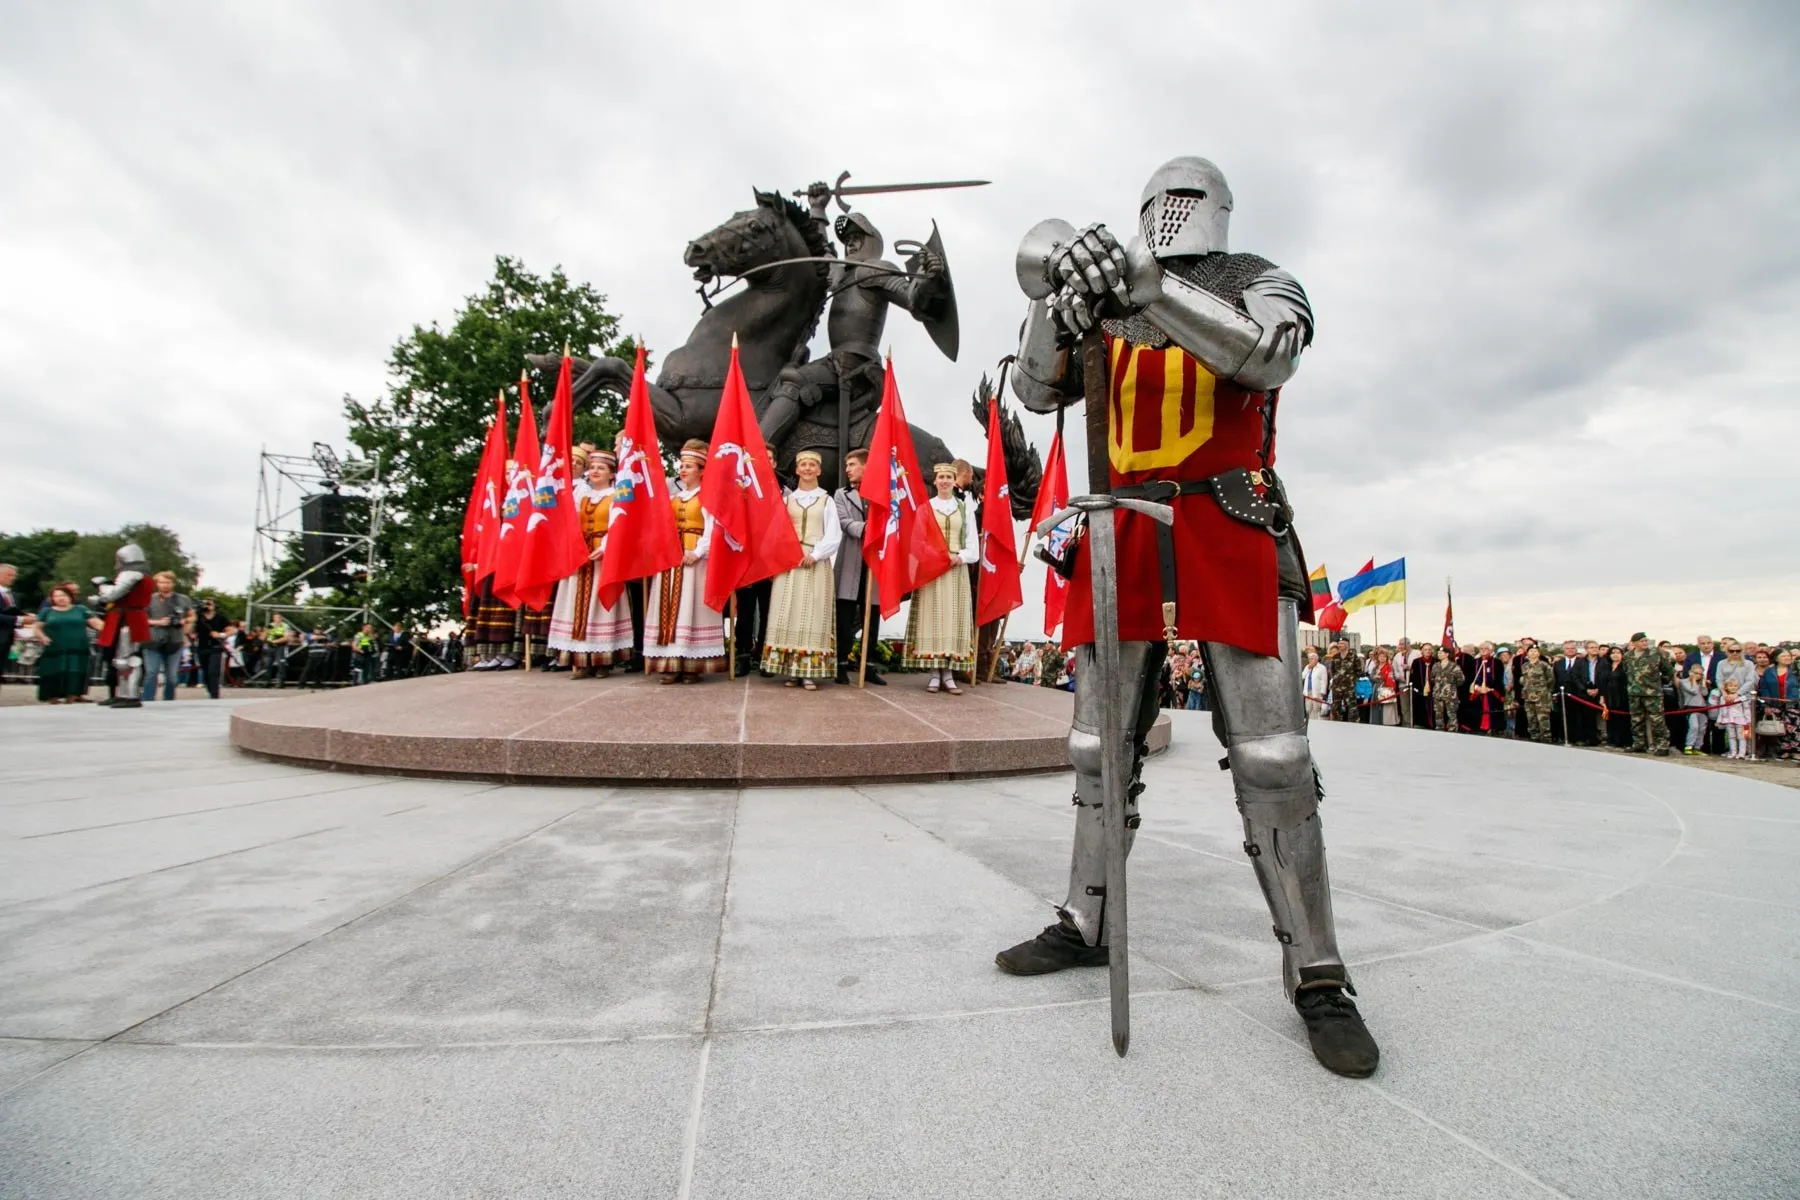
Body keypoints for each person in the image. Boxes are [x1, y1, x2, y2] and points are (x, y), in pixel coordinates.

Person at [994, 157, 1377, 1076]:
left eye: (1179, 207)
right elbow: (1038, 390)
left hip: (1227, 513)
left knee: (1274, 756)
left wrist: (1149, 287)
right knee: (1096, 745)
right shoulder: (1104, 298)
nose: (1167, 218)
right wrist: (1061, 294)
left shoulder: (1258, 281)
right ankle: (1086, 918)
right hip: (1119, 518)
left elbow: (1267, 354)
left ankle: (1317, 971)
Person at [644, 440, 726, 682]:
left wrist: (698, 552)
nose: (683, 470)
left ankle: (692, 665)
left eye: (689, 466)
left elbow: (713, 529)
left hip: (695, 560)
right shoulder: (673, 498)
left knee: (692, 608)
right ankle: (670, 664)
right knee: (669, 609)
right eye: (682, 465)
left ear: (702, 470)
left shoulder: (707, 498)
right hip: (672, 560)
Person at [548, 448, 634, 678]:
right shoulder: (581, 496)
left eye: (601, 468)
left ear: (611, 474)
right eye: (593, 467)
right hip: (580, 556)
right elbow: (570, 524)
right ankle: (580, 660)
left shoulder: (616, 495)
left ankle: (602, 660)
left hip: (604, 557)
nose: (595, 471)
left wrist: (605, 547)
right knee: (576, 605)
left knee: (600, 606)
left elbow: (619, 525)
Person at [761, 449, 843, 690]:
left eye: (812, 465)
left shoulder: (827, 500)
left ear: (819, 470)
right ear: (796, 470)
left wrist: (816, 554)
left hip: (815, 563)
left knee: (812, 612)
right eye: (803, 465)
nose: (807, 469)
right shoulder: (787, 500)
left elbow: (833, 534)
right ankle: (790, 668)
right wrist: (787, 554)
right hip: (790, 562)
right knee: (787, 611)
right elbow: (777, 532)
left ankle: (808, 669)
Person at [903, 463, 979, 694]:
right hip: (932, 570)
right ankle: (934, 673)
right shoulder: (926, 508)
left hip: (955, 570)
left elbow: (972, 541)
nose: (944, 481)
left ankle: (949, 673)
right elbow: (918, 542)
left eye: (948, 476)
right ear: (934, 482)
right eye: (940, 477)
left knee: (952, 617)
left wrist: (961, 557)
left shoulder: (964, 507)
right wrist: (936, 557)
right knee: (932, 616)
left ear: (954, 480)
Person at [832, 448, 886, 686]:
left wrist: (879, 530)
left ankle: (869, 663)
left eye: (852, 465)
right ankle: (841, 663)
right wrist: (867, 529)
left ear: (866, 466)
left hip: (875, 559)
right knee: (844, 612)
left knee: (871, 614)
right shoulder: (841, 494)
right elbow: (842, 521)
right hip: (851, 559)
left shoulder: (882, 493)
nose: (848, 470)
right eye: (847, 466)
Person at [34, 586, 98, 703]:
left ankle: (73, 696)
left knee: (75, 670)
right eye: (56, 596)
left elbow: (97, 624)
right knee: (53, 671)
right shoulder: (47, 611)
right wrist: (42, 637)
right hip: (55, 647)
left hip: (78, 647)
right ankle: (53, 697)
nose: (60, 598)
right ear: (52, 598)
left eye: (63, 595)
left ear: (70, 597)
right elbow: (37, 628)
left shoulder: (81, 609)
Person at [139, 571, 194, 702]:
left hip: (174, 641)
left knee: (172, 676)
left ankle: (168, 700)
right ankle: (147, 699)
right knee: (152, 672)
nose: (165, 585)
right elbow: (141, 619)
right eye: (162, 582)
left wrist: (184, 621)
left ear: (173, 583)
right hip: (153, 640)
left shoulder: (183, 599)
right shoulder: (148, 599)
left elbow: (192, 616)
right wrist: (158, 622)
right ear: (157, 583)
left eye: (168, 582)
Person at [1619, 632, 1673, 755]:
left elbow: (1668, 670)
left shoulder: (1655, 654)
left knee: (1657, 720)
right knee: (1636, 720)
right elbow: (1626, 671)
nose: (1644, 643)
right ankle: (1639, 744)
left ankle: (1662, 745)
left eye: (1645, 640)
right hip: (1634, 692)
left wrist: (1658, 682)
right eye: (1641, 641)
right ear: (1634, 643)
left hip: (1652, 693)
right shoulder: (1628, 656)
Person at [1758, 649, 1798, 760]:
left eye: (1788, 656)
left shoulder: (1795, 670)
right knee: (1781, 727)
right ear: (1776, 658)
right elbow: (1764, 688)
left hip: (1793, 704)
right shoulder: (1769, 672)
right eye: (1783, 656)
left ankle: (1796, 751)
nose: (1787, 658)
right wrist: (1767, 704)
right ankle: (1784, 750)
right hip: (1775, 703)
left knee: (1794, 728)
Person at [1465, 642, 1505, 735]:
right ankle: (1478, 729)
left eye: (1486, 648)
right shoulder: (1474, 662)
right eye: (1481, 648)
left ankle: (1493, 729)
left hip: (1492, 691)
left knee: (1493, 711)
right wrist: (1477, 687)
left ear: (1491, 650)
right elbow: (1469, 678)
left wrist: (1489, 688)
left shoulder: (1497, 663)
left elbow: (1499, 679)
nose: (1483, 650)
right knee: (1476, 710)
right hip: (1477, 692)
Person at [1520, 644, 1555, 744]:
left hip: (1542, 696)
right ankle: (1534, 736)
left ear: (1539, 653)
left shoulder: (1544, 665)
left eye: (1535, 651)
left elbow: (1551, 680)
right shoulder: (1525, 666)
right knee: (1531, 718)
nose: (1533, 653)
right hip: (1528, 696)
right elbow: (1524, 680)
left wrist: (1546, 691)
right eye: (1531, 651)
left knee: (1543, 718)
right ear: (1527, 654)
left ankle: (1546, 737)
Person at [1676, 663, 1710, 756]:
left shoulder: (1700, 683)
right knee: (1694, 726)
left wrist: (1703, 683)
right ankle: (1689, 746)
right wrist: (1694, 680)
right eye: (1696, 673)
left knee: (1702, 728)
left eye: (1700, 674)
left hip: (1702, 707)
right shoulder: (1684, 682)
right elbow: (1693, 691)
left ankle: (1697, 747)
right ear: (1690, 672)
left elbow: (1705, 693)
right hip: (1691, 706)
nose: (1698, 675)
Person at [1717, 678, 1754, 759]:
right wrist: (1719, 720)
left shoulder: (1742, 697)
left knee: (1742, 737)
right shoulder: (1723, 698)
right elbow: (1721, 709)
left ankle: (1741, 753)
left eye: (1735, 686)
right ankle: (1733, 752)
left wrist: (1748, 720)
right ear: (1726, 687)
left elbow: (1746, 709)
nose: (1733, 687)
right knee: (1731, 737)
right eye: (1730, 686)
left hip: (1740, 720)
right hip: (1728, 719)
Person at [1430, 645, 1463, 732]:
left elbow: (1461, 680)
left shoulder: (1454, 666)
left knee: (1451, 714)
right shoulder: (1435, 666)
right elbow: (1432, 678)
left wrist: (1450, 686)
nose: (1439, 654)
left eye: (1441, 653)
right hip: (1437, 694)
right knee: (1438, 714)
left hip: (1450, 695)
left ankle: (1452, 730)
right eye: (1438, 653)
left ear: (1447, 654)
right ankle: (1439, 729)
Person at [1328, 640, 1360, 722]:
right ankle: (1337, 725)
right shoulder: (1335, 657)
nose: (1340, 645)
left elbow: (1359, 671)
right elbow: (1332, 670)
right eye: (1339, 643)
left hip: (1349, 687)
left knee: (1352, 708)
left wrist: (1351, 680)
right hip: (1337, 687)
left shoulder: (1353, 657)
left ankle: (1353, 726)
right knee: (1335, 707)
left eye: (1342, 643)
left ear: (1347, 645)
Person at [1367, 646, 1399, 726]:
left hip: (1386, 688)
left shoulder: (1389, 667)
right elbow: (1371, 677)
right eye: (1380, 656)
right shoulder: (1375, 667)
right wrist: (1374, 677)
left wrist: (1383, 677)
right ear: (1377, 657)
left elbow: (1392, 677)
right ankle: (1376, 721)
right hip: (1376, 688)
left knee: (1387, 707)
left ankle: (1388, 723)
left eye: (1384, 656)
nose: (1382, 658)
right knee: (1376, 706)